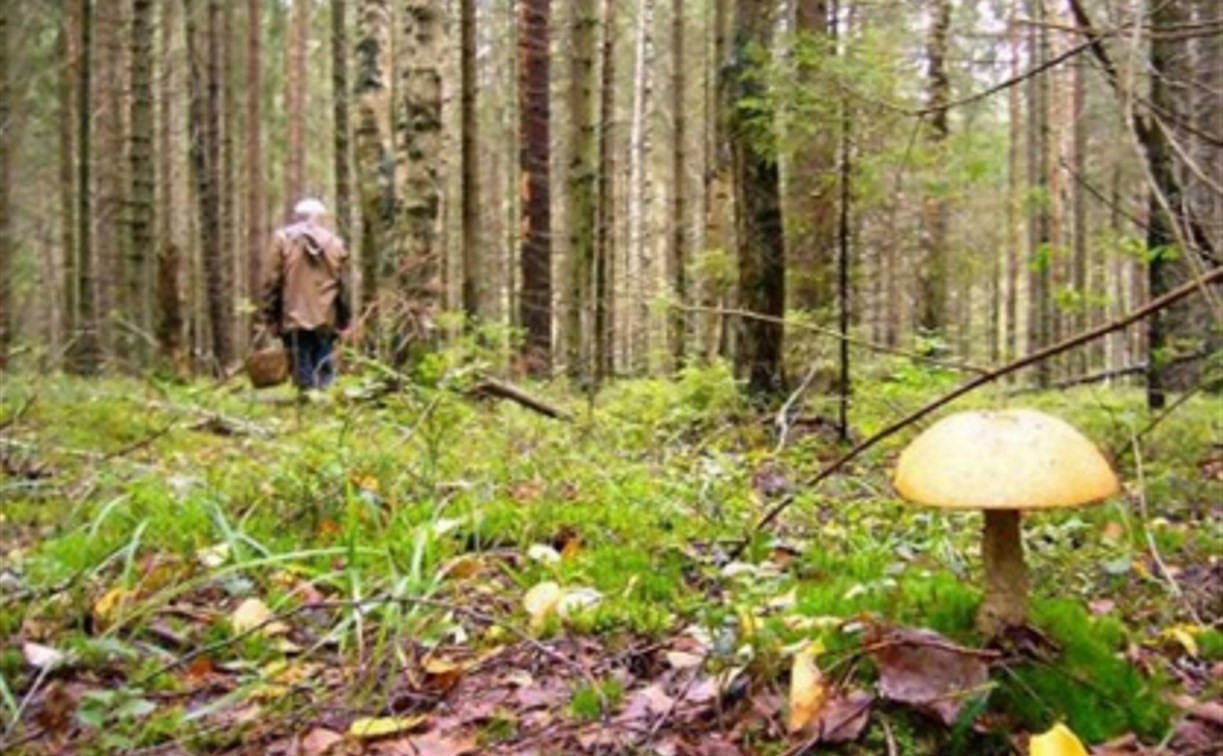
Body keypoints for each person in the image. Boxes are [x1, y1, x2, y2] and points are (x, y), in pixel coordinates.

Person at [261, 198, 351, 390]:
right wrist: (344, 320)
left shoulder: (283, 239)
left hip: (293, 315)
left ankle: (306, 407)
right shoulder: (335, 243)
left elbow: (272, 281)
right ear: (321, 219)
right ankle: (324, 407)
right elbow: (342, 286)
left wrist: (270, 315)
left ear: (297, 217)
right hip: (327, 317)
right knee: (324, 365)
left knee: (301, 368)